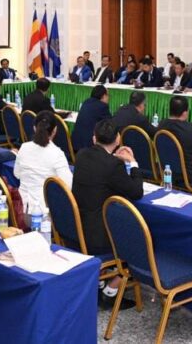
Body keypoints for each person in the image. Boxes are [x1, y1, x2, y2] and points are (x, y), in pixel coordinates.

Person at [72, 119, 143, 306]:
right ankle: (110, 291)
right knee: (142, 239)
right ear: (118, 139)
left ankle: (100, 281)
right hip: (98, 236)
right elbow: (136, 191)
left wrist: (114, 158)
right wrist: (133, 162)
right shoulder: (113, 165)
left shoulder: (82, 155)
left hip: (76, 228)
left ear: (94, 138)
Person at [14, 112, 73, 210]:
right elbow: (67, 185)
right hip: (44, 211)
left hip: (21, 207)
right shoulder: (57, 154)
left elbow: (17, 174)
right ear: (55, 130)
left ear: (34, 128)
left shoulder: (24, 147)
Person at [72, 85, 111, 152]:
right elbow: (110, 123)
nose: (108, 98)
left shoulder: (86, 102)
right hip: (89, 148)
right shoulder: (102, 106)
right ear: (104, 96)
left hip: (75, 144)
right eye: (108, 95)